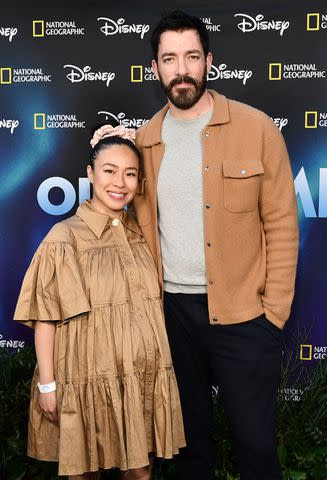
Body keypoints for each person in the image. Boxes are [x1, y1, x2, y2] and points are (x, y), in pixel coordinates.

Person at [133, 10, 299, 480]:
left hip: (246, 316)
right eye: (169, 58)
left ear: (209, 61)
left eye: (191, 56)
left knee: (255, 447)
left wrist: (274, 314)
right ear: (156, 69)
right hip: (172, 320)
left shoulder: (257, 128)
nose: (181, 69)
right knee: (187, 451)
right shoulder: (144, 140)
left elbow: (283, 224)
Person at [13, 123, 185, 480]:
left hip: (139, 379)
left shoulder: (141, 233)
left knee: (141, 470)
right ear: (90, 173)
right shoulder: (64, 238)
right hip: (85, 377)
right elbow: (46, 319)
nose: (119, 183)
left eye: (130, 174)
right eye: (109, 171)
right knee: (84, 470)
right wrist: (48, 385)